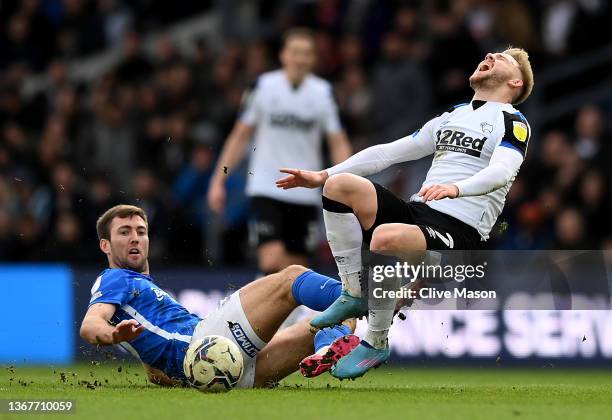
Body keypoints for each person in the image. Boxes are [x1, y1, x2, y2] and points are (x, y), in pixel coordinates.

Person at [276, 48, 535, 379]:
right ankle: (354, 291)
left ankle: (376, 340)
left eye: (502, 57)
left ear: (515, 81)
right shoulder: (452, 116)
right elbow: (388, 153)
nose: (489, 54)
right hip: (421, 212)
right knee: (339, 187)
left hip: (460, 231)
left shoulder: (513, 122)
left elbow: (502, 170)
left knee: (385, 239)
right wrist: (322, 174)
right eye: (491, 53)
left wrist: (458, 188)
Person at [80, 204, 360, 388]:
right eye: (124, 232)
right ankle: (368, 297)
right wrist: (113, 336)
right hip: (206, 344)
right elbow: (91, 325)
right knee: (292, 277)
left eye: (141, 231)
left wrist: (159, 370)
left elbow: (155, 370)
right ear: (105, 244)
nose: (135, 238)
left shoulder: (141, 291)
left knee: (335, 317)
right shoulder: (115, 278)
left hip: (226, 373)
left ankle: (326, 348)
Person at [207, 28, 352, 275]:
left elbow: (337, 141)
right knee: (270, 261)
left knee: (295, 270)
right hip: (266, 186)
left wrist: (349, 183)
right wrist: (219, 179)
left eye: (306, 53)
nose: (300, 58)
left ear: (313, 59)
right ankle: (258, 309)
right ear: (284, 55)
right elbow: (240, 135)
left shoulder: (323, 93)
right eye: (295, 52)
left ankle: (280, 312)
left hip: (305, 191)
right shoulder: (262, 87)